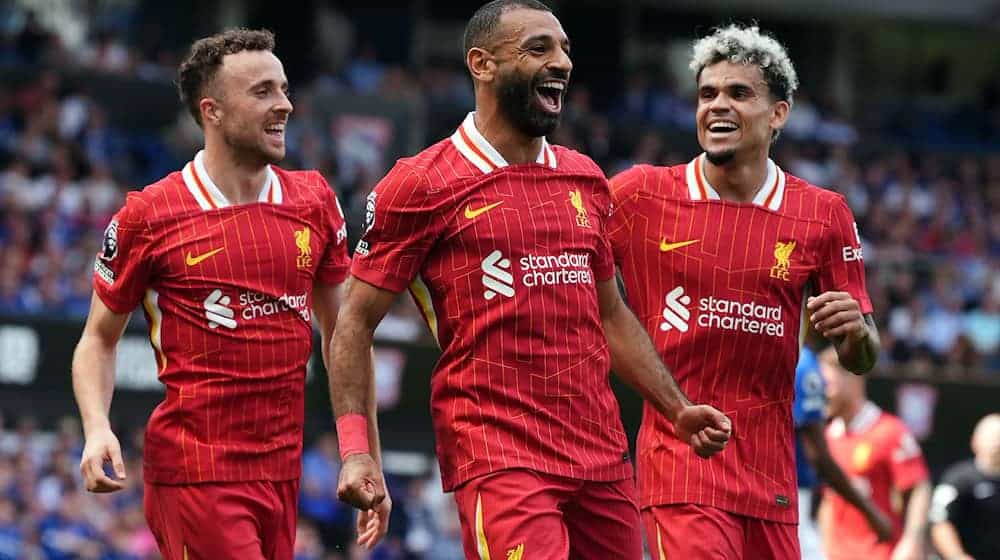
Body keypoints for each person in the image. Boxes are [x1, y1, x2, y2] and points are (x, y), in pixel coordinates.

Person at [328, 2, 731, 559]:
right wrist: (356, 450)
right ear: (482, 64)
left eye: (565, 49)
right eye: (539, 48)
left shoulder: (585, 177)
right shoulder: (421, 184)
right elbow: (353, 322)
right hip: (499, 454)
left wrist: (676, 408)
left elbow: (610, 313)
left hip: (601, 456)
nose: (562, 62)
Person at [71, 29, 352, 560]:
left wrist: (360, 450)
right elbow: (97, 340)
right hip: (197, 473)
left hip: (282, 472)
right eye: (263, 91)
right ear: (213, 111)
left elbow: (346, 337)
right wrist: (96, 427)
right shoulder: (150, 214)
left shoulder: (315, 201)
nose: (285, 105)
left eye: (285, 89)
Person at [608, 24, 880, 559]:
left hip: (772, 481)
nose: (717, 106)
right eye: (707, 94)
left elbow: (862, 355)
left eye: (738, 93)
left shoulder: (823, 214)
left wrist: (854, 332)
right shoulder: (640, 194)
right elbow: (566, 254)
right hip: (682, 470)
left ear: (778, 113)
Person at [818, 346, 931, 560]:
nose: (823, 393)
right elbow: (828, 499)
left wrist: (912, 542)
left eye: (828, 385)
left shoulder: (891, 431)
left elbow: (919, 488)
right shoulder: (827, 437)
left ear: (854, 379)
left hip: (882, 553)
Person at [794, 345, 892, 559]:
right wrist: (872, 514)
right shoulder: (804, 365)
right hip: (788, 502)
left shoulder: (890, 430)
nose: (826, 392)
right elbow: (819, 457)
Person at [930, 413, 1000, 560]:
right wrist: (957, 556)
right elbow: (940, 521)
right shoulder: (958, 479)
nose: (997, 443)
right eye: (993, 437)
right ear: (975, 441)